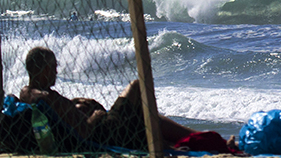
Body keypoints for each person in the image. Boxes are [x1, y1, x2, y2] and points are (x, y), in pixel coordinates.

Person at [19, 46, 197, 149]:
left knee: (144, 118)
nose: (56, 71)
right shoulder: (39, 95)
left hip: (102, 131)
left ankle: (186, 141)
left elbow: (58, 110)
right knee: (137, 86)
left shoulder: (32, 93)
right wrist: (94, 116)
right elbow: (85, 131)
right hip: (101, 133)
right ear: (40, 70)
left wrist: (74, 104)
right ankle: (185, 142)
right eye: (52, 67)